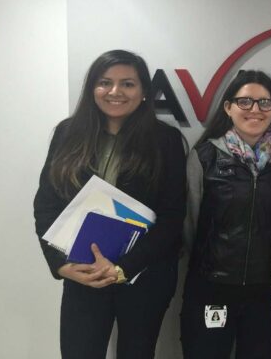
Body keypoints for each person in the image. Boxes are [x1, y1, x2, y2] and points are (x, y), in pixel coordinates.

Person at [33, 50, 187, 358]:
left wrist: (122, 268)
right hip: (83, 272)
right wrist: (61, 265)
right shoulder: (67, 133)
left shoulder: (166, 140)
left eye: (127, 84)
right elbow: (46, 204)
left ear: (144, 91)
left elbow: (172, 216)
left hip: (144, 276)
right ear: (92, 88)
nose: (115, 91)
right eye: (105, 82)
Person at [180, 70, 271, 359]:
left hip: (266, 291)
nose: (255, 110)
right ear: (228, 107)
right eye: (245, 102)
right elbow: (190, 225)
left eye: (264, 103)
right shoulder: (204, 157)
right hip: (211, 287)